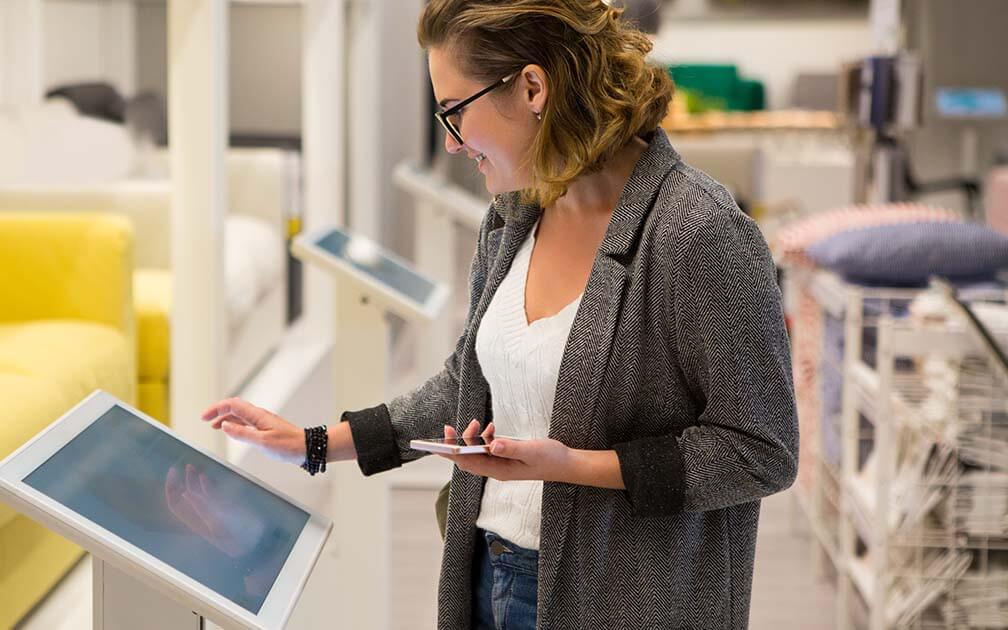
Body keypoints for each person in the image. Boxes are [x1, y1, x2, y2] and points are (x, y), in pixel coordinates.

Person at [201, 1, 798, 628]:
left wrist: (576, 467)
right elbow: (468, 383)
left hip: (621, 599)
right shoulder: (516, 214)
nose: (452, 144)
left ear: (533, 87)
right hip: (488, 574)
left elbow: (761, 449)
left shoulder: (696, 231)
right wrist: (315, 443)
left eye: (455, 111)